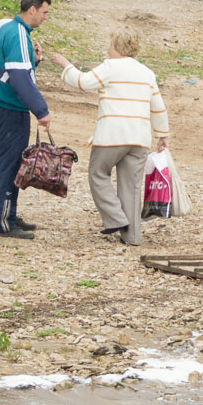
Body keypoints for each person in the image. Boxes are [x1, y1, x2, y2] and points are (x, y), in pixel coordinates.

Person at [49, 32, 170, 246]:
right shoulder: (147, 73)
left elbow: (83, 82)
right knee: (131, 186)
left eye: (110, 44)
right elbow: (158, 107)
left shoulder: (110, 67)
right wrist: (162, 134)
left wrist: (65, 65)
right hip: (140, 138)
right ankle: (132, 237)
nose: (108, 48)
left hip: (112, 135)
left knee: (98, 173)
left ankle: (115, 218)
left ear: (117, 47)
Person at [0, 0, 54, 239]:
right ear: (32, 10)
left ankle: (8, 214)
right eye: (44, 12)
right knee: (9, 165)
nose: (46, 17)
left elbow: (13, 69)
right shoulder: (19, 35)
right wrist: (41, 110)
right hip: (10, 111)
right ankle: (4, 223)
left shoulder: (8, 27)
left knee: (2, 164)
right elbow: (20, 78)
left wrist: (34, 61)